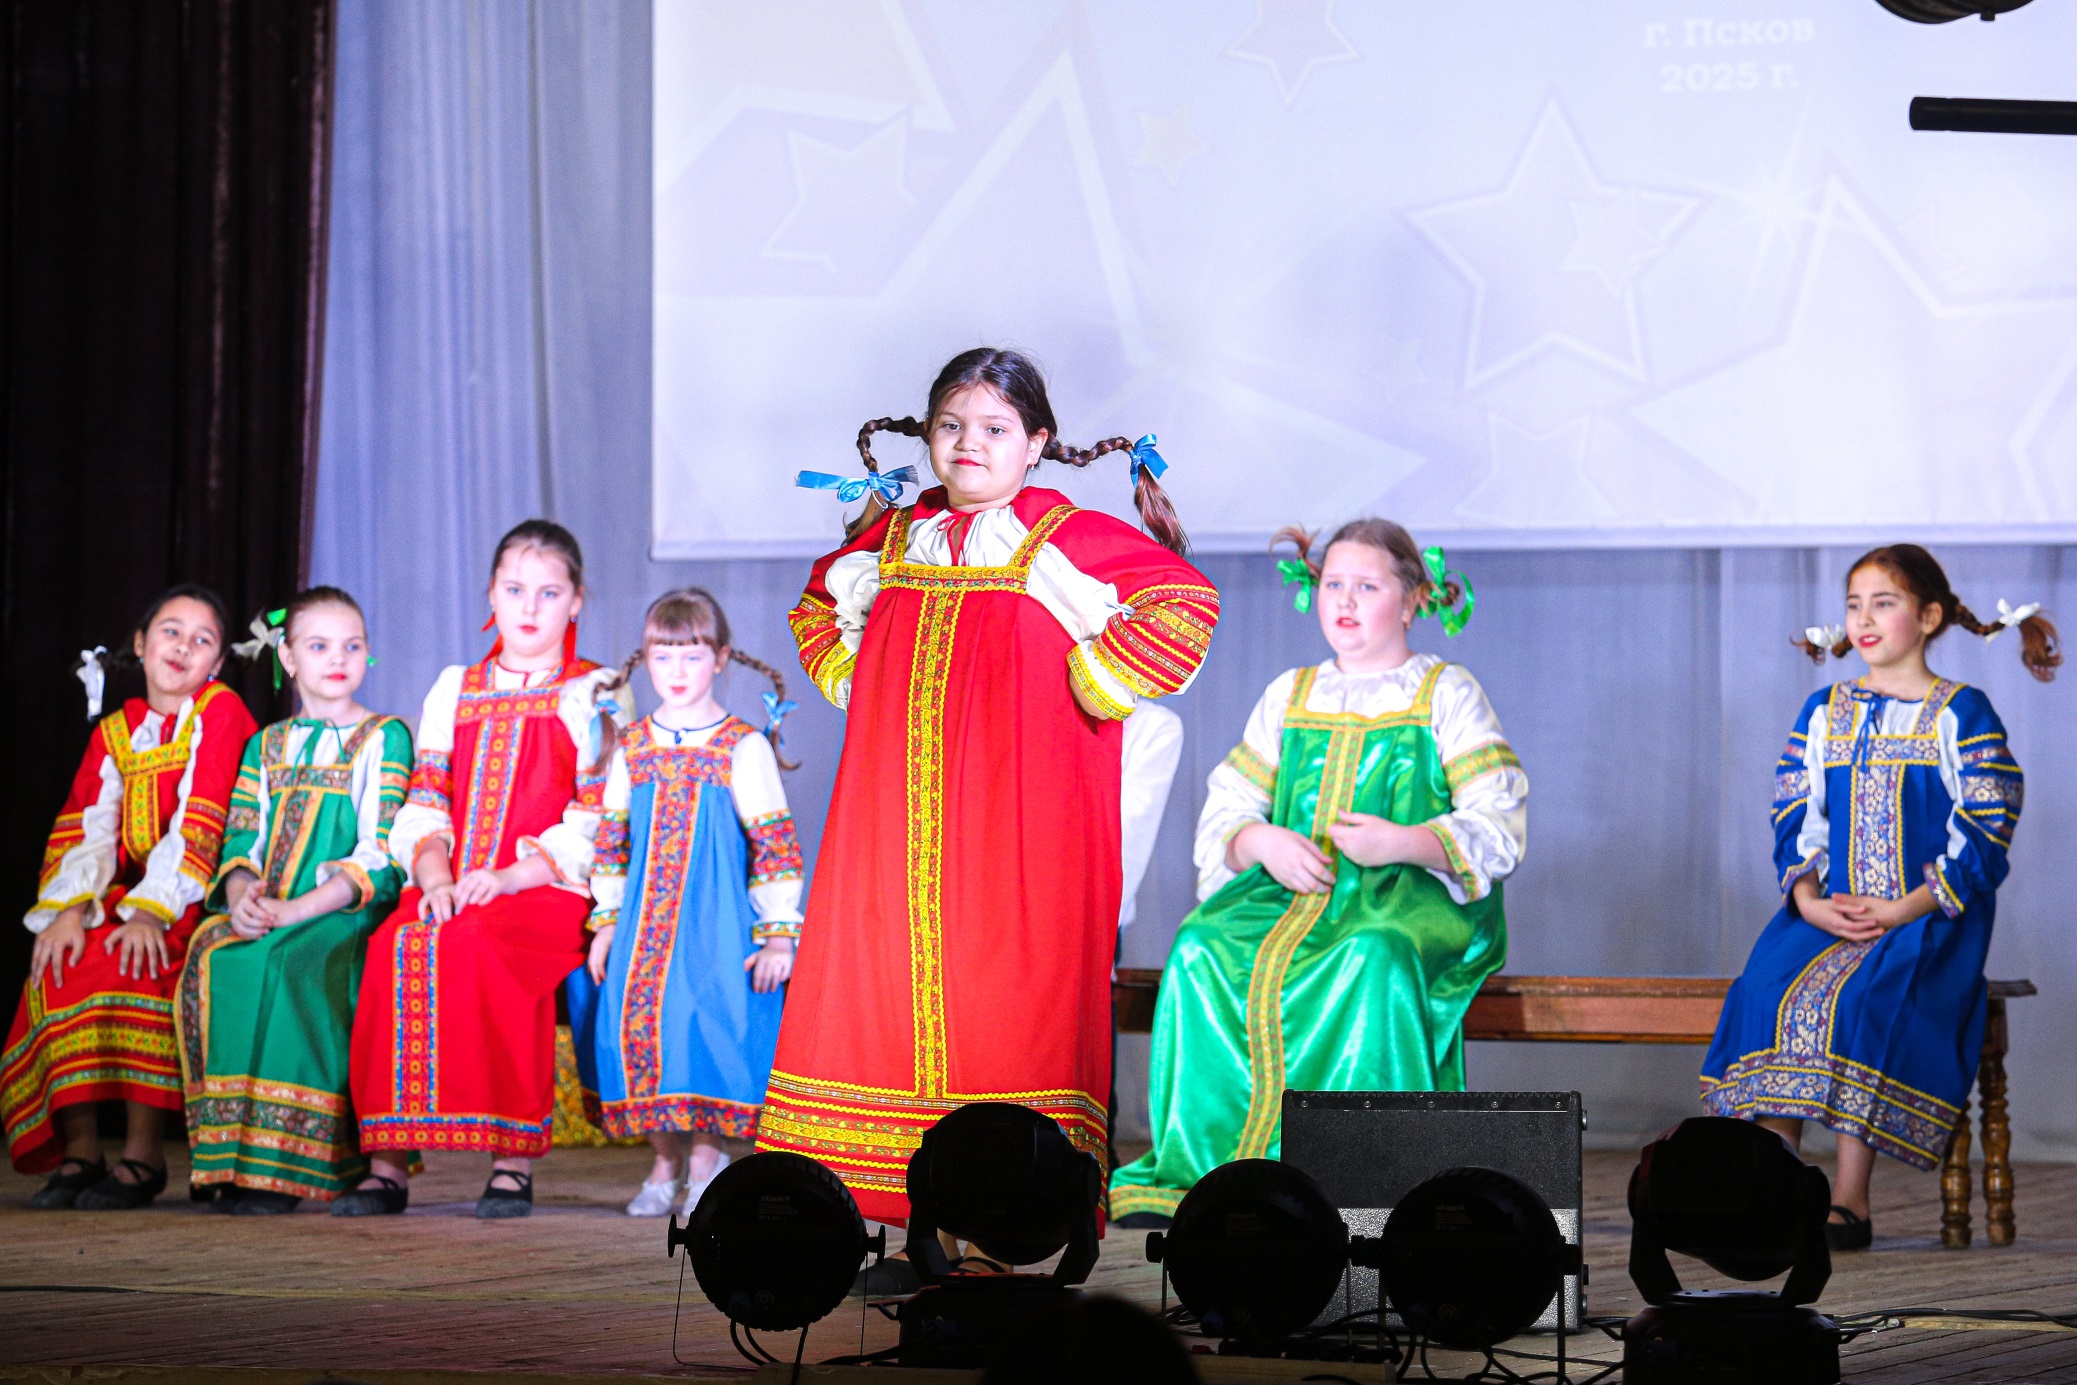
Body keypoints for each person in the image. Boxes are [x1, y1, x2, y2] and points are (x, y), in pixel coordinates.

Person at [758, 346, 1220, 1227]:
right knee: (884, 991)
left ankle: (1002, 1224)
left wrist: (1097, 679)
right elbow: (819, 605)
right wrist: (860, 678)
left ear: (1036, 442)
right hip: (895, 818)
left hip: (1018, 819)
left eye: (995, 428)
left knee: (1002, 1001)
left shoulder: (1059, 536)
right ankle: (906, 1212)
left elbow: (1183, 601)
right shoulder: (897, 538)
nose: (968, 442)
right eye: (950, 424)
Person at [1109, 520, 1526, 1225]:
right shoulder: (1291, 692)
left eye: (1367, 586)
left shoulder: (1444, 691)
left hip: (1407, 897)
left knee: (1371, 956)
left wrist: (1405, 840)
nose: (1346, 600)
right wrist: (1258, 840)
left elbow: (1497, 815)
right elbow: (1231, 806)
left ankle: (1360, 1176)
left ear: (1412, 600)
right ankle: (1209, 1171)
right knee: (1200, 947)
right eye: (1334, 583)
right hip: (1288, 894)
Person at [1701, 545, 2058, 1251]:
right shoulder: (1824, 710)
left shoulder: (1960, 711)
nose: (1863, 619)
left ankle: (1849, 1199)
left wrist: (1902, 907)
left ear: (1928, 616)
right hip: (1829, 910)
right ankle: (1779, 1187)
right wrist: (1808, 899)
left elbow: (1987, 822)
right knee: (1767, 990)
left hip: (1925, 916)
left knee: (1863, 997)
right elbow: (1793, 807)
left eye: (1883, 603)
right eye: (1853, 604)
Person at [340, 519, 626, 1219]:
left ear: (576, 601)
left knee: (487, 943)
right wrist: (436, 876)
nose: (530, 607)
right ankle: (387, 1164)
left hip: (547, 887)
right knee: (395, 943)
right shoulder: (454, 687)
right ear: (491, 595)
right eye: (514, 589)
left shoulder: (595, 690)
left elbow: (596, 816)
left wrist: (508, 878)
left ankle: (510, 1160)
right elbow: (426, 797)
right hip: (456, 879)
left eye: (549, 592)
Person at [5, 585, 257, 1207]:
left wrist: (148, 912)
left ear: (217, 662)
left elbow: (201, 820)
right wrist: (67, 912)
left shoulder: (219, 712)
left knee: (134, 958)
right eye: (171, 631)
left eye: (202, 640)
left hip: (200, 891)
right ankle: (82, 1150)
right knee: (61, 957)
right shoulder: (117, 732)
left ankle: (144, 1156)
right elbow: (88, 829)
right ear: (141, 644)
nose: (184, 647)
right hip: (131, 894)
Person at [567, 588, 805, 1219]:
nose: (676, 671)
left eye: (692, 656)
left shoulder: (741, 746)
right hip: (644, 921)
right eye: (663, 656)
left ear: (720, 658)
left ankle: (706, 1161)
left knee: (707, 1033)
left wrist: (779, 933)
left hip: (717, 921)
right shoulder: (634, 745)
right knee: (639, 1030)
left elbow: (775, 844)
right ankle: (664, 1161)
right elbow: (612, 841)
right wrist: (606, 923)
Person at [175, 588, 413, 1213]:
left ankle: (286, 1165)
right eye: (319, 645)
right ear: (288, 657)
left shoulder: (383, 737)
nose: (338, 658)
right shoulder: (267, 744)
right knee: (216, 956)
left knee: (286, 963)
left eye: (352, 646)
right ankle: (227, 1158)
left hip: (344, 912)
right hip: (272, 907)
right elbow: (241, 836)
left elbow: (381, 850)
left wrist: (298, 910)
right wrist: (241, 895)